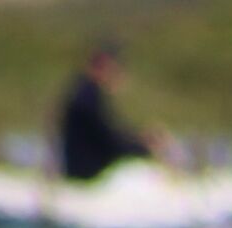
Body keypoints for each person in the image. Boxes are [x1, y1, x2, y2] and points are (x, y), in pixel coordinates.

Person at [56, 40, 160, 185]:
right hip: (87, 176)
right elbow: (109, 140)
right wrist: (143, 149)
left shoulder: (85, 92)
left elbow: (110, 132)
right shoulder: (87, 98)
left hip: (84, 171)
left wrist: (138, 139)